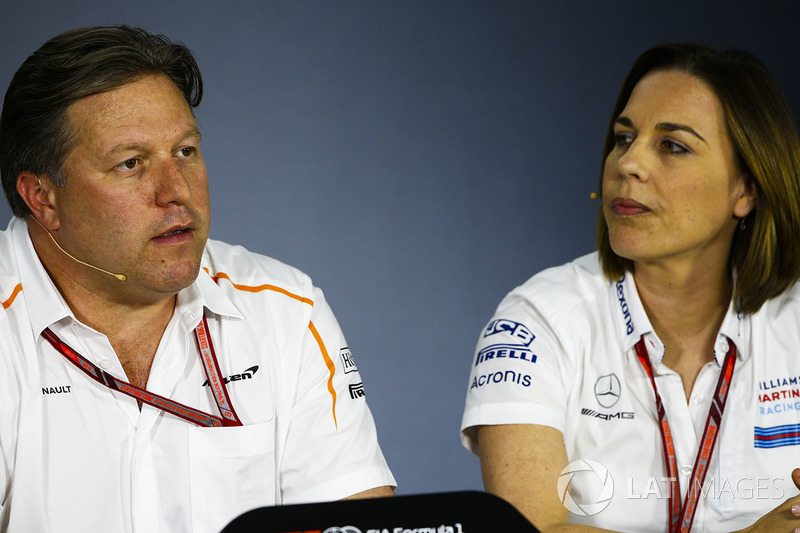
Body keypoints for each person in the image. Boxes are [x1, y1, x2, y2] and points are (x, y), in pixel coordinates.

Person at [0, 25, 395, 532]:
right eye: (131, 163)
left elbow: (355, 520)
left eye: (185, 152)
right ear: (43, 198)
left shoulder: (286, 310)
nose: (176, 191)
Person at [461, 43, 800, 533]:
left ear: (746, 189)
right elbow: (532, 530)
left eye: (673, 146)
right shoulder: (535, 319)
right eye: (623, 138)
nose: (627, 164)